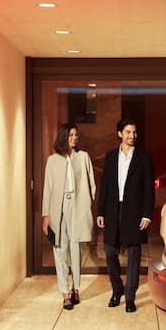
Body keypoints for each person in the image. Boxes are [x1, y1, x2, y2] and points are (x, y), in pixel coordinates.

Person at [96, 118, 154, 313]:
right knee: (110, 251)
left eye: (134, 133)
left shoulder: (144, 158)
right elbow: (105, 186)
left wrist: (147, 214)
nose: (132, 136)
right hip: (113, 210)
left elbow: (149, 190)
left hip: (134, 212)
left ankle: (130, 296)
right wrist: (101, 211)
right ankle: (117, 289)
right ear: (120, 134)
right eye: (128, 132)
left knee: (133, 255)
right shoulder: (111, 157)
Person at [41, 123, 96, 311]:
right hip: (58, 207)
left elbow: (91, 183)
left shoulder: (83, 157)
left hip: (78, 206)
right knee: (59, 248)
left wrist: (89, 203)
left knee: (76, 248)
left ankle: (76, 288)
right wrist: (46, 215)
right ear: (64, 137)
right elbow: (47, 190)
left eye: (76, 135)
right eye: (71, 135)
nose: (75, 138)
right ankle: (65, 293)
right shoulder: (52, 160)